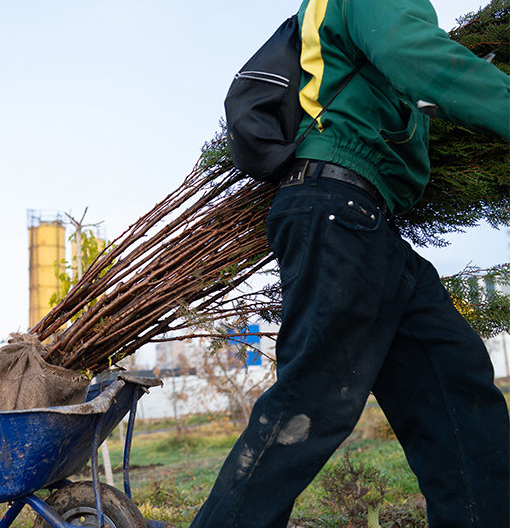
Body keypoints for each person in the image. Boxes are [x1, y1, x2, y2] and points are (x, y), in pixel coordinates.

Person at [191, 1, 509, 526]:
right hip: (338, 211)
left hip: (365, 223)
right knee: (310, 401)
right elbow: (412, 54)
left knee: (456, 385)